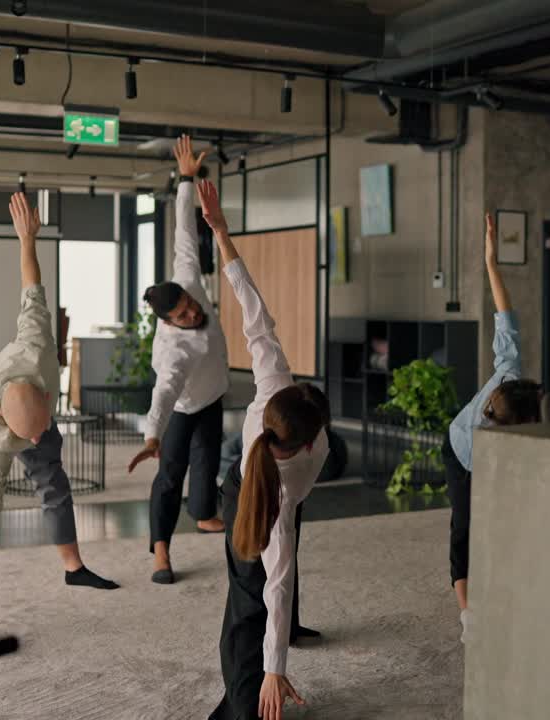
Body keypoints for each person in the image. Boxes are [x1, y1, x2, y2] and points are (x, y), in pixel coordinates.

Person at [0, 192, 118, 624]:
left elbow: (31, 286)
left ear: (46, 397)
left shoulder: (37, 343)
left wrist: (27, 239)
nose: (35, 442)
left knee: (54, 483)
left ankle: (74, 568)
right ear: (11, 431)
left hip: (27, 410)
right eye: (30, 438)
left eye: (39, 432)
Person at [198, 179, 329, 720]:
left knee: (276, 584)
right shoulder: (284, 489)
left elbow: (252, 307)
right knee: (250, 596)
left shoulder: (276, 382)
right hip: (246, 494)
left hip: (261, 481)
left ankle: (284, 638)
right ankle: (239, 705)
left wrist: (223, 232)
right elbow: (280, 572)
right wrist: (274, 667)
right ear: (306, 440)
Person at [127, 134, 232, 585]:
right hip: (182, 407)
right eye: (184, 315)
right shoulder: (174, 350)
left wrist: (185, 179)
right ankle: (161, 552)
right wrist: (153, 433)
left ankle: (205, 513)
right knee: (171, 475)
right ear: (169, 322)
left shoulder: (188, 281)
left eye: (191, 305)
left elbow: (184, 233)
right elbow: (165, 390)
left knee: (208, 463)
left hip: (213, 395)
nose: (194, 312)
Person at [442, 212, 542, 642]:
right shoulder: (484, 437)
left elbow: (505, 312)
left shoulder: (510, 370)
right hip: (459, 453)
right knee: (464, 529)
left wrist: (491, 263)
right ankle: (468, 614)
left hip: (486, 455)